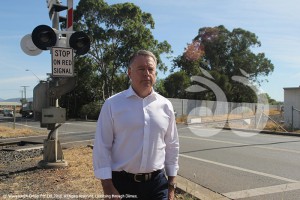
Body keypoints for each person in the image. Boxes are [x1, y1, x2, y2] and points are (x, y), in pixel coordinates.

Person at [93, 50, 179, 200]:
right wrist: (107, 186)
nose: (146, 73)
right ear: (129, 72)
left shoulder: (166, 106)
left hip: (157, 185)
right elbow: (102, 146)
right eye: (141, 69)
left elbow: (172, 145)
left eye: (150, 69)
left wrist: (171, 184)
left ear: (155, 74)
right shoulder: (113, 104)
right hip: (123, 184)